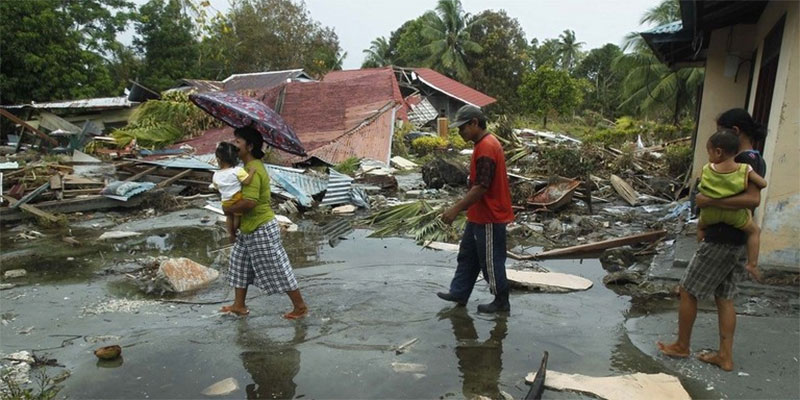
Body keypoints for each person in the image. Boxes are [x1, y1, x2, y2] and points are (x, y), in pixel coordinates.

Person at [658, 108, 767, 371]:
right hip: (736, 237)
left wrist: (710, 201)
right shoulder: (751, 160)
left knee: (688, 290)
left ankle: (682, 346)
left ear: (734, 132)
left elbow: (753, 199)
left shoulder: (743, 163)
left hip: (722, 237)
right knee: (724, 297)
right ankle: (725, 356)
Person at [220, 126, 308, 319]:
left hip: (260, 227)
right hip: (248, 227)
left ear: (249, 146)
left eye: (238, 142)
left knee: (277, 267)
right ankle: (239, 305)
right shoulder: (244, 169)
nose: (234, 144)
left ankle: (300, 307)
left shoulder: (254, 170)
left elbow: (249, 202)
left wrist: (229, 209)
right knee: (239, 265)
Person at [437, 105, 514, 313]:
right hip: (478, 214)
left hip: (490, 215)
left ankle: (501, 301)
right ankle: (459, 291)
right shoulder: (482, 145)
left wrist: (455, 209)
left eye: (462, 128)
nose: (460, 132)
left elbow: (481, 187)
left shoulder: (487, 147)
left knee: (490, 261)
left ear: (474, 123)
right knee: (468, 255)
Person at [696, 129, 766, 279]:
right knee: (754, 231)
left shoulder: (706, 169)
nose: (709, 157)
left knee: (700, 226)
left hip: (710, 214)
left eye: (709, 152)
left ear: (718, 152)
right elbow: (763, 183)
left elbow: (702, 189)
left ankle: (700, 243)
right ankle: (752, 264)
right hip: (735, 215)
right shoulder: (744, 169)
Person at [212, 142, 256, 244]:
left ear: (218, 160)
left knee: (228, 217)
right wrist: (252, 172)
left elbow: (216, 187)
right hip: (237, 199)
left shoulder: (216, 174)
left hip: (225, 202)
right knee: (237, 216)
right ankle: (236, 231)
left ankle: (231, 235)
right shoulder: (237, 170)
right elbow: (247, 181)